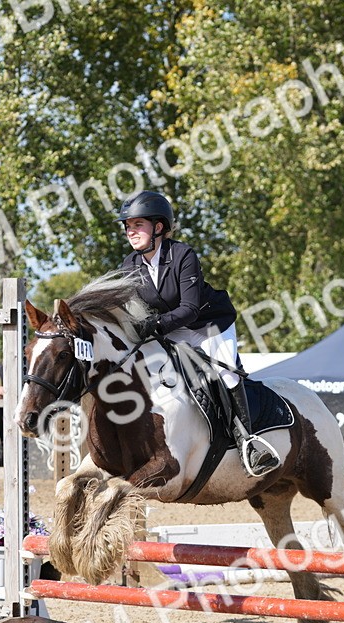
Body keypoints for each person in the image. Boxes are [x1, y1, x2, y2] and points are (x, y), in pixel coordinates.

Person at [115, 190, 281, 477]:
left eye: (138, 225)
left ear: (158, 227)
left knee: (226, 375)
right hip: (174, 330)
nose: (131, 231)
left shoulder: (182, 255)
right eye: (128, 226)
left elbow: (190, 308)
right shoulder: (130, 265)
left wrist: (154, 325)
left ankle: (248, 440)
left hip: (209, 325)